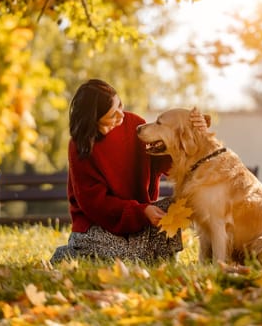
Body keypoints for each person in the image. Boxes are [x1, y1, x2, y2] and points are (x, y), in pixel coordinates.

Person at [50, 79, 207, 264]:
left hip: (139, 221)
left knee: (170, 208)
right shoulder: (81, 147)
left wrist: (196, 132)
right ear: (93, 119)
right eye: (112, 114)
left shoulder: (134, 125)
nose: (121, 115)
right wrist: (141, 211)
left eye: (120, 106)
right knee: (128, 259)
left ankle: (159, 259)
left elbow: (168, 162)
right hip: (98, 226)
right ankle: (71, 253)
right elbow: (95, 204)